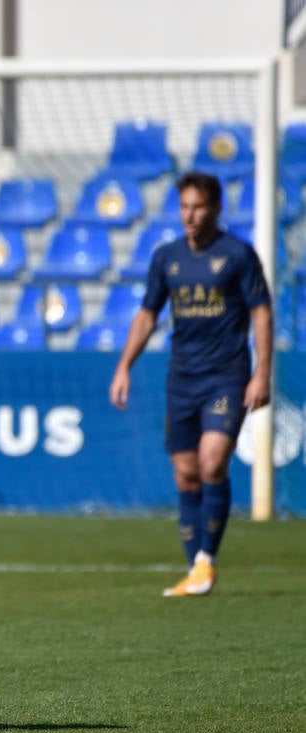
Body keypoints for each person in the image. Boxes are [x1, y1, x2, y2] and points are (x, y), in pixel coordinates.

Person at [109, 171, 272, 597]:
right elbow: (147, 316)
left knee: (212, 460)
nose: (190, 215)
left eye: (198, 207)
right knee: (185, 474)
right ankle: (195, 569)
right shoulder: (167, 258)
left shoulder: (237, 254)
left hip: (226, 375)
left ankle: (206, 561)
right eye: (184, 206)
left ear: (216, 208)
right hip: (181, 378)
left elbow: (261, 313)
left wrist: (262, 373)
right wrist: (124, 365)